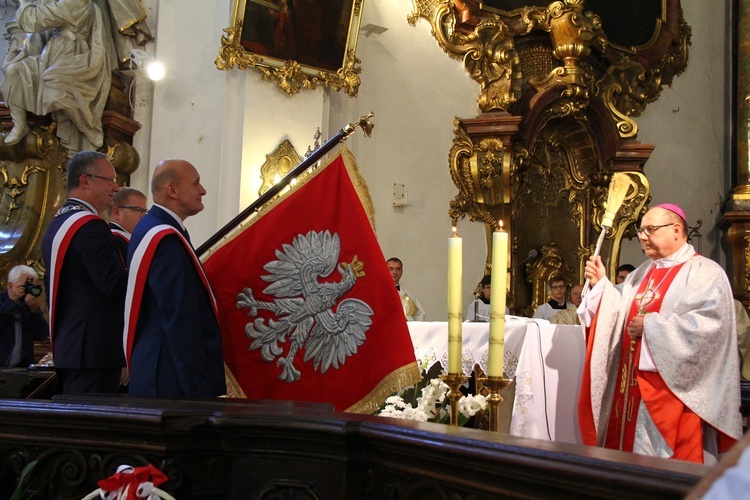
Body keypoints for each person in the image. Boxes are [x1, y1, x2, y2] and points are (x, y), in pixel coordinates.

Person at [578, 203, 741, 463]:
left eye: (650, 229)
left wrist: (651, 326)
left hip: (669, 393)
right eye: (641, 230)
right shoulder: (641, 273)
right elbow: (619, 312)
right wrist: (602, 287)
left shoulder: (705, 273)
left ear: (676, 230)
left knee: (664, 468)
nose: (642, 236)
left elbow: (710, 329)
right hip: (627, 388)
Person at [124, 159, 226, 398]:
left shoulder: (151, 227)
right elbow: (180, 317)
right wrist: (198, 388)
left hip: (158, 369)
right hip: (168, 378)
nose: (203, 191)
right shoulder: (165, 238)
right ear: (172, 190)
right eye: (196, 184)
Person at [41, 150, 127, 394]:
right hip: (95, 353)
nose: (116, 187)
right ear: (86, 181)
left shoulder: (58, 223)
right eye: (109, 179)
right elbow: (114, 285)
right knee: (94, 428)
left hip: (73, 346)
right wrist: (145, 268)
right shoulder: (90, 227)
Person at [0, 0, 115, 151]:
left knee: (56, 86)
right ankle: (19, 123)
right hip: (50, 55)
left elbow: (36, 20)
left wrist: (24, 2)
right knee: (13, 71)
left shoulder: (75, 3)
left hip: (73, 55)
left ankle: (88, 127)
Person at [0, 265, 48, 367]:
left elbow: (41, 335)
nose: (27, 290)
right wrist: (12, 303)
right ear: (10, 286)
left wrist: (35, 311)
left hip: (20, 369)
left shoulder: (27, 305)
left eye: (31, 286)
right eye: (23, 286)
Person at [108, 187, 148, 262]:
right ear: (117, 212)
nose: (144, 216)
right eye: (138, 210)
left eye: (145, 211)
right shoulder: (113, 241)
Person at [387, 257, 425, 321]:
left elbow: (420, 314)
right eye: (391, 269)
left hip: (405, 329)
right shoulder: (377, 292)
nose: (394, 272)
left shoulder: (409, 295)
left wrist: (408, 322)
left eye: (398, 269)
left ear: (401, 271)